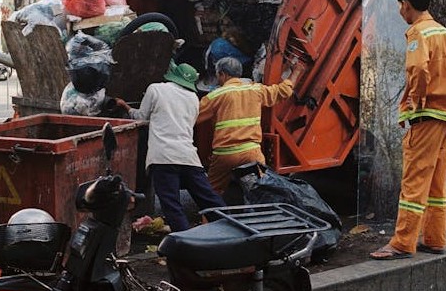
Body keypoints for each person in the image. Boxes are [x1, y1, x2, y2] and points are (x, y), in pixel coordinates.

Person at [370, 0, 446, 260]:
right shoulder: (443, 32)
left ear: (406, 4)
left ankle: (402, 243)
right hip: (444, 117)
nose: (399, 11)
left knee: (414, 180)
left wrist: (418, 96)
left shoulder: (418, 32)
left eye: (399, 6)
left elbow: (417, 67)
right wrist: (444, 85)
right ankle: (434, 239)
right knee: (436, 182)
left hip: (425, 116)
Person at [115, 62, 226, 232]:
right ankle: (230, 230)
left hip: (163, 156)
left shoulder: (156, 89)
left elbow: (141, 117)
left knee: (171, 204)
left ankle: (185, 242)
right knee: (208, 199)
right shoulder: (194, 99)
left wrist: (125, 106)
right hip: (189, 157)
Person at [196, 56, 305, 196]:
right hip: (252, 153)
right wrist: (295, 72)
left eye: (218, 75)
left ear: (223, 74)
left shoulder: (215, 96)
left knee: (211, 193)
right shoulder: (255, 90)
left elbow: (193, 116)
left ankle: (209, 217)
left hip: (225, 154)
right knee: (261, 191)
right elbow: (282, 91)